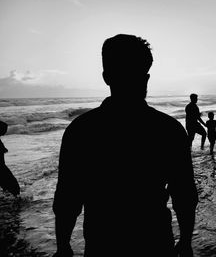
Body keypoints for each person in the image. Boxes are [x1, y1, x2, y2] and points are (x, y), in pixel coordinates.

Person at [53, 34, 198, 257]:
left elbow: (68, 199)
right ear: (146, 77)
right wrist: (186, 242)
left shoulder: (81, 130)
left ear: (106, 77)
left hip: (103, 245)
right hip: (156, 243)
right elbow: (184, 195)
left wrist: (63, 247)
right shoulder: (168, 129)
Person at [0, 121, 20, 196]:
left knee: (8, 186)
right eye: (4, 129)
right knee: (15, 187)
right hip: (1, 167)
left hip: (2, 166)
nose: (5, 132)